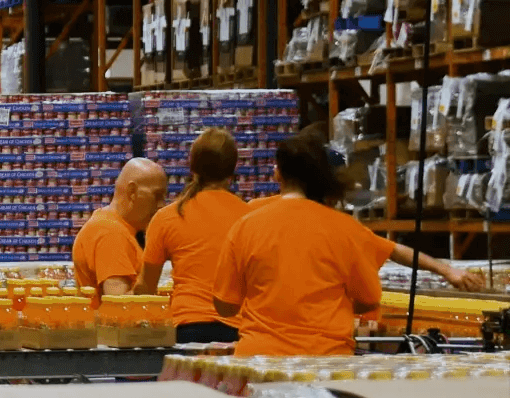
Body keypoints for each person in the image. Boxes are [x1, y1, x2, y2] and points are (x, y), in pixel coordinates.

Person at [248, 125, 485, 292]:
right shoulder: (341, 226)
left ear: (277, 173)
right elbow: (374, 287)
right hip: (324, 353)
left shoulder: (250, 217)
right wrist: (447, 271)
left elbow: (227, 300)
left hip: (259, 352)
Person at [214, 132, 383, 355]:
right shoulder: (346, 228)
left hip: (259, 359)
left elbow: (225, 306)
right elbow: (369, 300)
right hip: (327, 360)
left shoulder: (246, 226)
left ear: (278, 174)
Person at [136, 129, 251, 343]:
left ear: (192, 166)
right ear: (233, 168)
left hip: (187, 327)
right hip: (238, 329)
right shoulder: (250, 218)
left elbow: (146, 287)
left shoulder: (168, 217)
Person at [73, 158, 167, 297]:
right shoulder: (111, 233)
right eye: (157, 196)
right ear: (132, 191)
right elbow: (118, 304)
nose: (161, 205)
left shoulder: (110, 225)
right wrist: (150, 277)